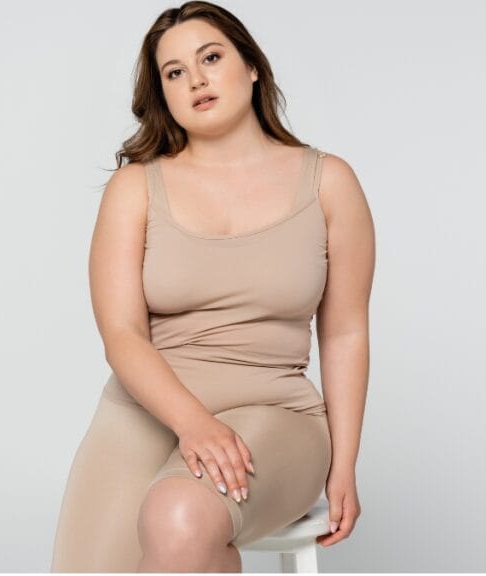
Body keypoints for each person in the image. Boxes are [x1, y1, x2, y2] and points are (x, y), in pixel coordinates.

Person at [49, 1, 375, 572]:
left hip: (276, 412)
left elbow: (345, 331)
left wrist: (344, 463)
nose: (195, 78)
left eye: (211, 57)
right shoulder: (134, 189)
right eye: (174, 72)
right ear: (165, 95)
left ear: (251, 65)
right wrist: (194, 423)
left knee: (181, 513)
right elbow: (122, 335)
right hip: (145, 410)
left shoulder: (329, 183)